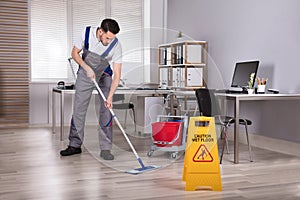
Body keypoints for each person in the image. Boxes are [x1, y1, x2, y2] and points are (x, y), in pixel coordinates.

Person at [60, 18, 122, 160]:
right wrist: (86, 67)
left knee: (107, 109)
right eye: (107, 38)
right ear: (100, 31)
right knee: (79, 107)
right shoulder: (86, 33)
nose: (108, 42)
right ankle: (75, 145)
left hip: (105, 73)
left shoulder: (116, 45)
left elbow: (117, 74)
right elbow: (74, 53)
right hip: (85, 71)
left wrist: (110, 97)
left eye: (111, 39)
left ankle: (106, 148)